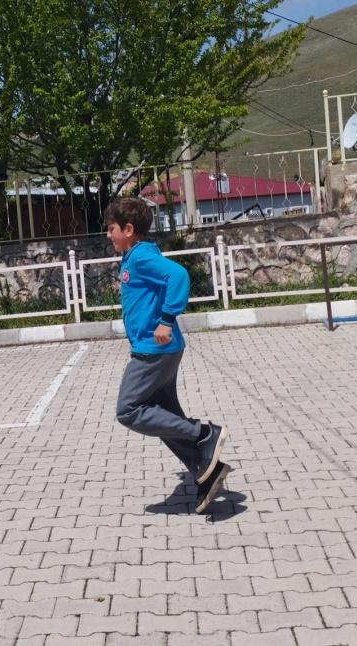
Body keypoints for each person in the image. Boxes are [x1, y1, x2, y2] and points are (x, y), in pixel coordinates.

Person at [106, 198, 231, 514]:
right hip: (160, 349)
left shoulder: (140, 259)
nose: (108, 235)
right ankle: (207, 470)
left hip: (154, 350)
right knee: (164, 420)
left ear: (129, 229)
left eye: (111, 229)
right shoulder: (139, 254)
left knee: (129, 410)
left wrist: (166, 318)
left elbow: (178, 276)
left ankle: (205, 433)